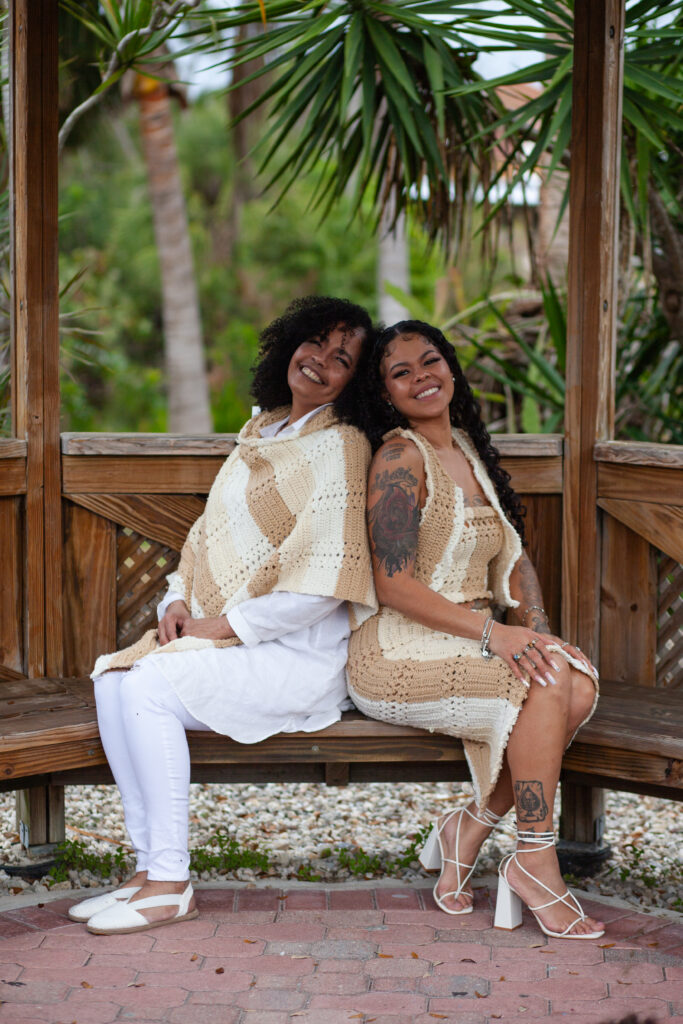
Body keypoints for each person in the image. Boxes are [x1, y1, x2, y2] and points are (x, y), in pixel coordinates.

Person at [69, 296, 377, 935]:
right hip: (234, 644)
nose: (319, 361)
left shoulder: (342, 448)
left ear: (356, 381)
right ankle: (146, 867)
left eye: (341, 358)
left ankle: (171, 882)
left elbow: (324, 586)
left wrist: (220, 627)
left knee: (149, 682)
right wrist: (176, 602)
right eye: (313, 342)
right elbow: (205, 540)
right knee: (113, 678)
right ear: (289, 343)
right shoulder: (257, 434)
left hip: (298, 657)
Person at [344, 320, 604, 940]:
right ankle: (535, 859)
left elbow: (513, 559)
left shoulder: (466, 448)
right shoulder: (401, 457)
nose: (420, 377)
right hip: (396, 649)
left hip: (472, 638)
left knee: (576, 685)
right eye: (400, 373)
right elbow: (393, 584)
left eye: (429, 361)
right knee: (544, 686)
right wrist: (498, 638)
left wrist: (535, 630)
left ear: (450, 368)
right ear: (386, 394)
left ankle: (471, 827)